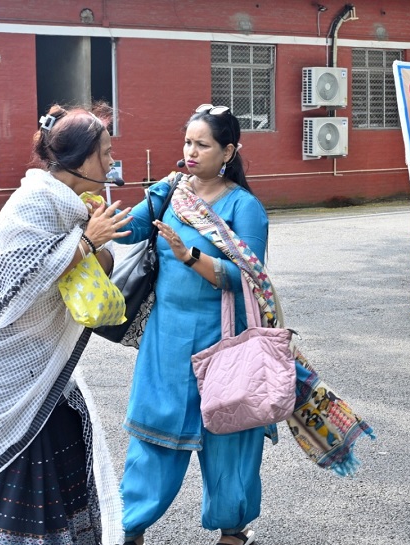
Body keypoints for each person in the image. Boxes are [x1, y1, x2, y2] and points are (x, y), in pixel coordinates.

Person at [0, 104, 132, 544]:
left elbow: (92, 272)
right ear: (80, 159)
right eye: (104, 153)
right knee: (12, 476)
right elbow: (23, 282)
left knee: (61, 455)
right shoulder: (33, 203)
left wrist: (93, 242)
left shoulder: (78, 208)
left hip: (44, 373)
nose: (111, 163)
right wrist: (86, 241)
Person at [117, 104, 271, 545]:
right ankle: (130, 526)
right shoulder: (170, 192)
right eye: (188, 142)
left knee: (228, 436)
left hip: (223, 338)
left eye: (202, 144)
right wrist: (92, 213)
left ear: (228, 151)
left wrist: (190, 257)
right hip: (166, 339)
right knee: (153, 433)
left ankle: (233, 530)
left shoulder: (244, 206)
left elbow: (247, 277)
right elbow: (130, 230)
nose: (191, 151)